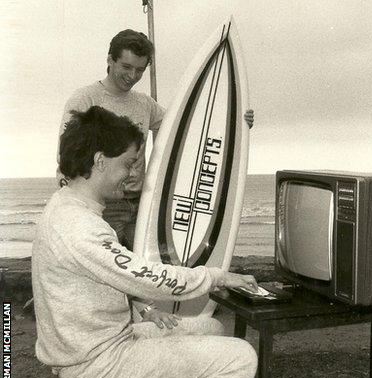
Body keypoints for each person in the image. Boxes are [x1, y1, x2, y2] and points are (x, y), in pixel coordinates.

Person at [33, 106, 258, 378]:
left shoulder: (66, 205)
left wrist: (142, 308)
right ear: (100, 162)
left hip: (96, 346)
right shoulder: (79, 226)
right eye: (127, 163)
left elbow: (98, 282)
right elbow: (150, 277)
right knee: (240, 357)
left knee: (210, 327)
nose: (132, 173)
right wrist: (218, 277)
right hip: (97, 367)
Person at [57, 29, 254, 328]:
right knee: (104, 273)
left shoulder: (144, 103)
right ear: (109, 61)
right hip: (104, 202)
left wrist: (238, 121)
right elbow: (67, 152)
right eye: (126, 67)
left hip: (142, 201)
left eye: (139, 69)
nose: (132, 76)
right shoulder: (85, 98)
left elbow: (186, 128)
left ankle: (145, 327)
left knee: (146, 269)